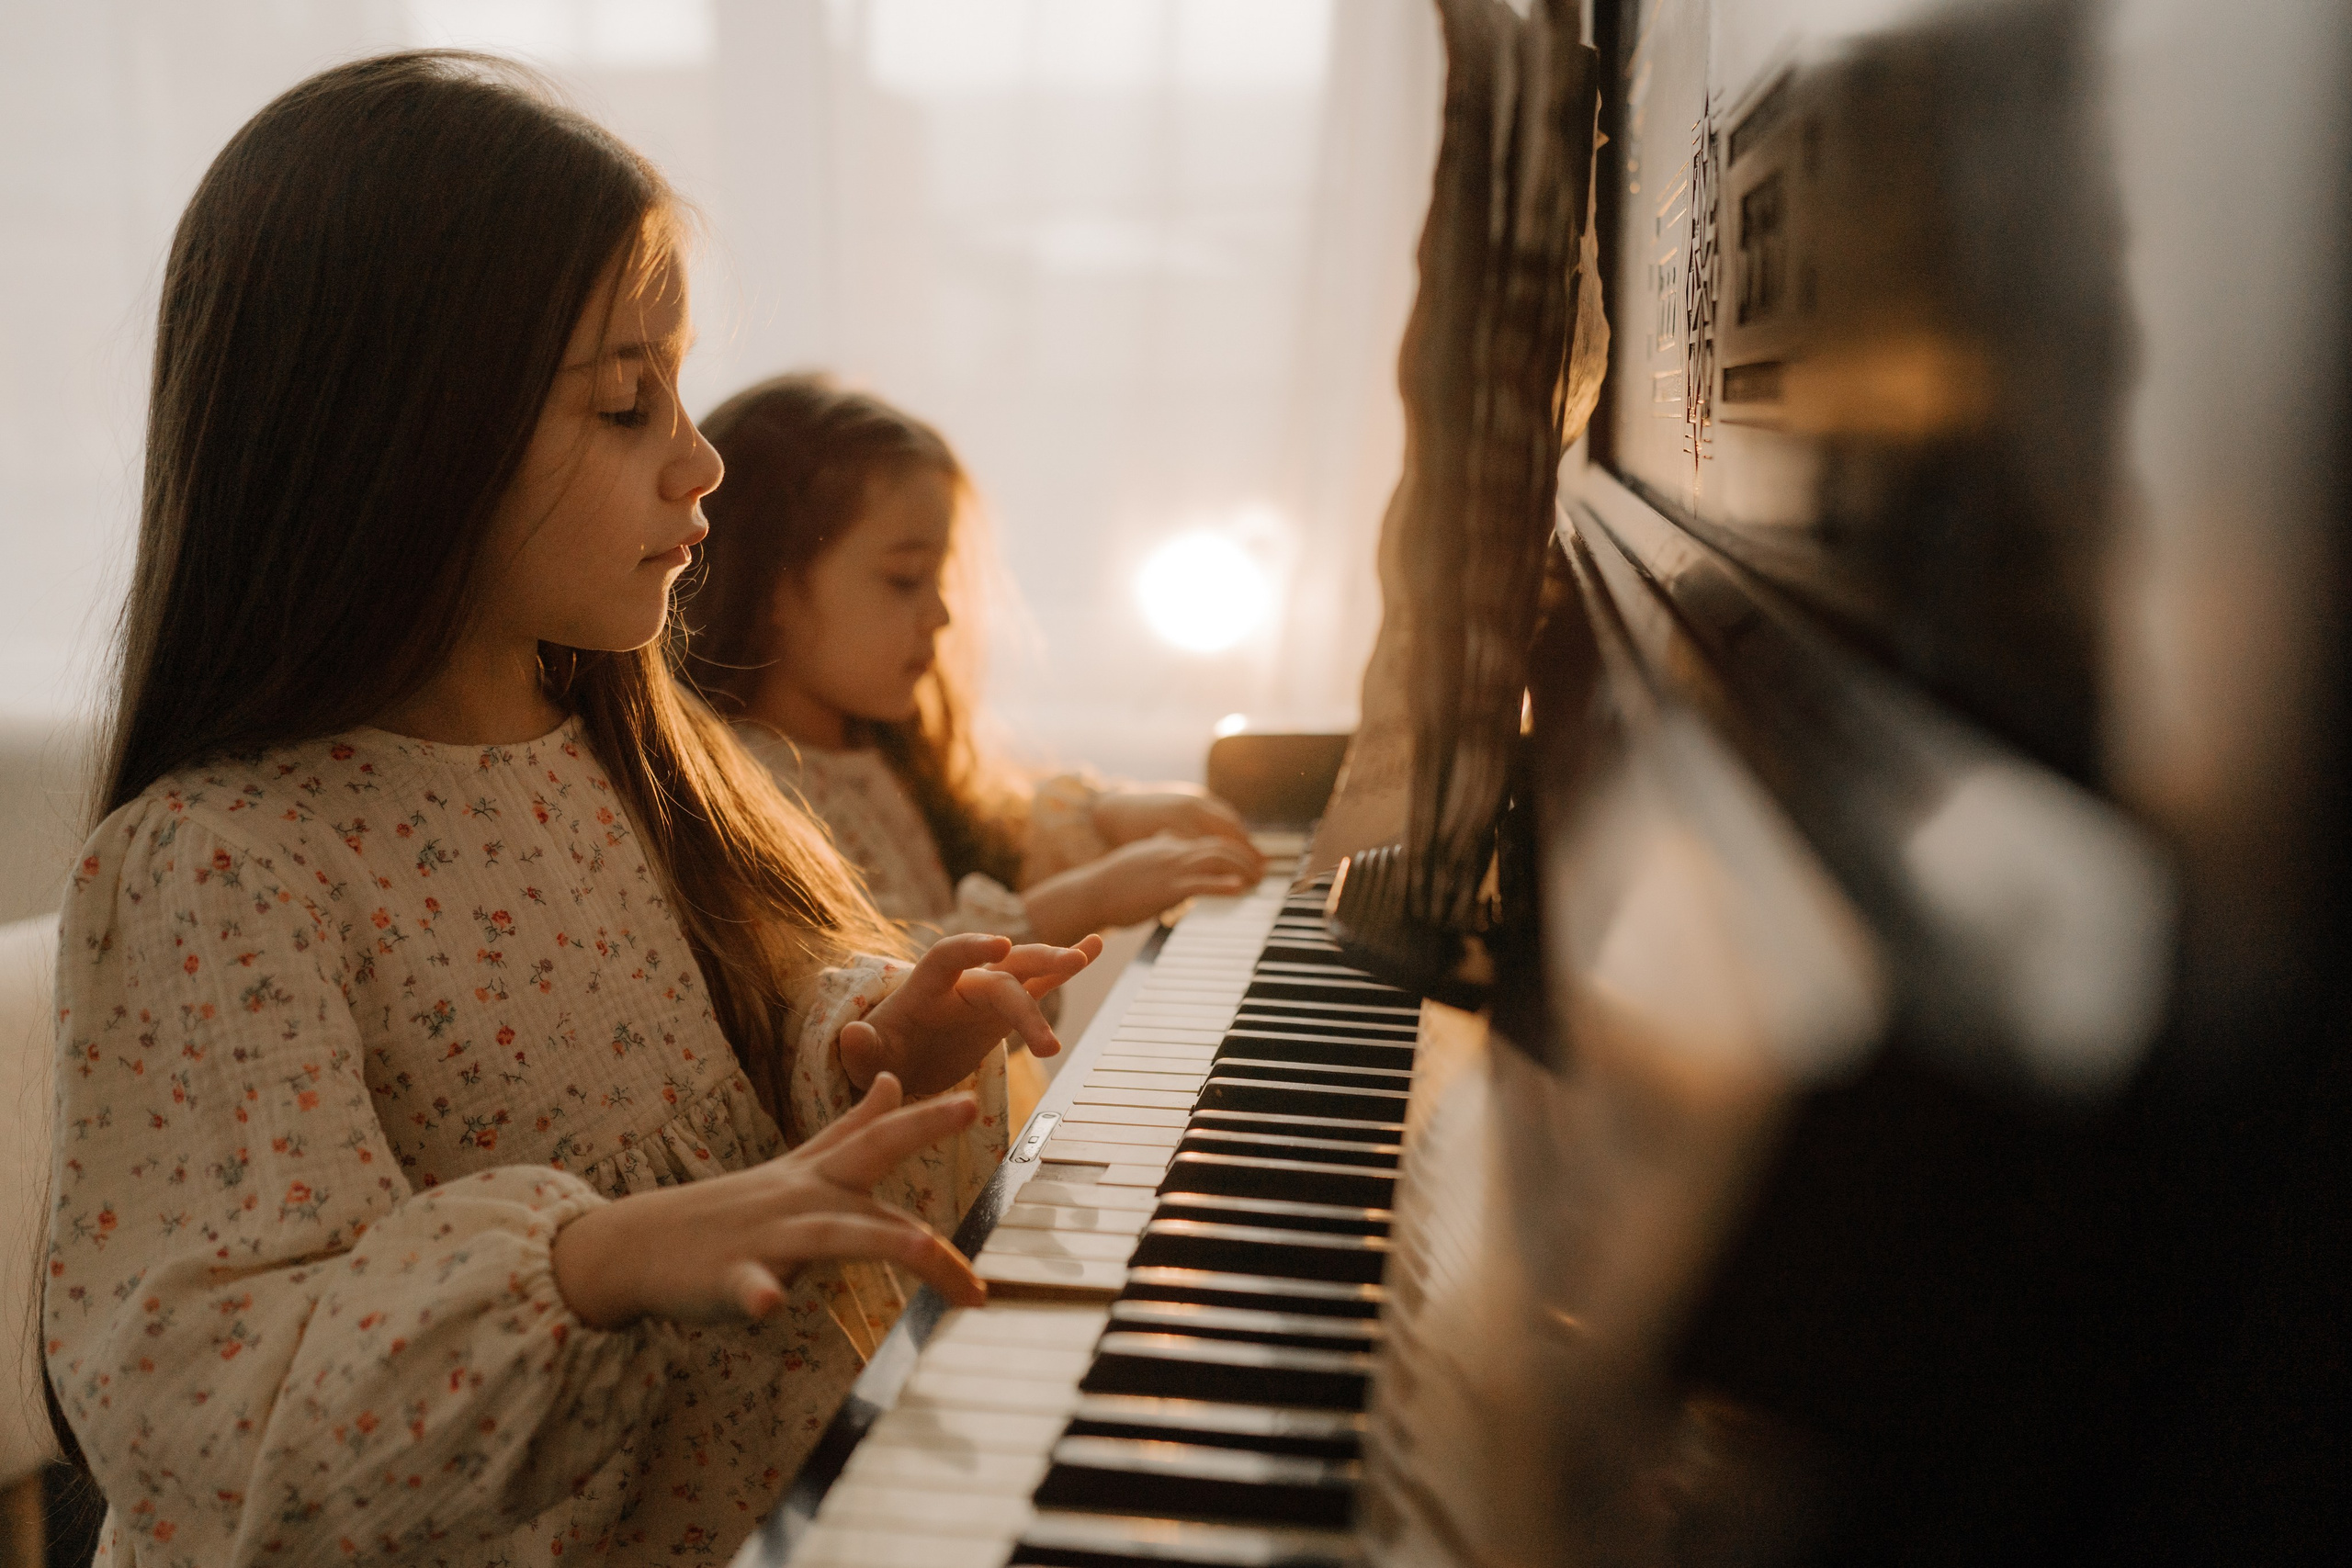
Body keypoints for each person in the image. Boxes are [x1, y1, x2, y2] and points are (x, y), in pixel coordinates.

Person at [41, 52, 1100, 1565]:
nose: (700, 457)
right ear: (398, 434)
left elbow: (718, 1087)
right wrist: (588, 1264)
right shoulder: (216, 866)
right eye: (623, 401)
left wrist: (866, 1049)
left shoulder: (622, 754)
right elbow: (213, 1409)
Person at [680, 375, 1268, 1034]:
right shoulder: (747, 790)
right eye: (905, 579)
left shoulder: (875, 748)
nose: (941, 614)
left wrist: (1110, 815)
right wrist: (1090, 898)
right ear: (771, 591)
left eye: (938, 578)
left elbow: (993, 833)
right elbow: (885, 988)